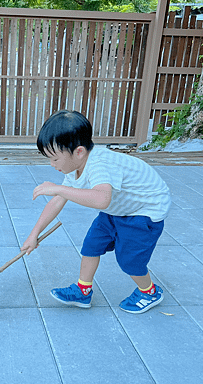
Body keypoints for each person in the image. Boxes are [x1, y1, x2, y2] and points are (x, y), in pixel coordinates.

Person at [21, 110, 171, 313]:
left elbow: (101, 199)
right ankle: (83, 291)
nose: (51, 164)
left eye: (55, 159)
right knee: (91, 245)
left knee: (129, 261)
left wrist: (57, 187)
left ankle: (150, 291)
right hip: (119, 208)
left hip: (145, 211)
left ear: (79, 152)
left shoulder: (100, 163)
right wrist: (34, 234)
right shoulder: (75, 167)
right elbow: (58, 201)